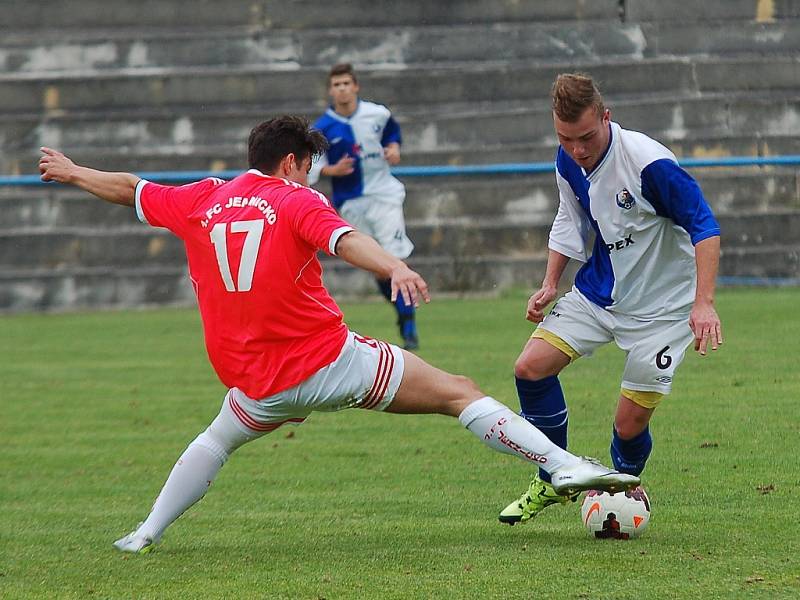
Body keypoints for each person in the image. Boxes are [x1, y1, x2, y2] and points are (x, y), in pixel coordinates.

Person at [39, 115, 639, 554]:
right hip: (330, 363)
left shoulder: (203, 198)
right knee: (457, 391)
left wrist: (71, 173)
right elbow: (346, 240)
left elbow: (131, 188)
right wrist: (396, 266)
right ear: (291, 164)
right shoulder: (296, 201)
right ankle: (562, 466)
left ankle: (146, 532)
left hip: (255, 381)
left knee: (217, 439)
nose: (311, 176)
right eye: (310, 167)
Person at [498, 73, 723, 525]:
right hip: (600, 294)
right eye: (565, 139)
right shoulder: (567, 162)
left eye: (585, 137)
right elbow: (570, 219)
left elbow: (704, 225)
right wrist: (550, 282)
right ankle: (551, 475)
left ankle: (624, 490)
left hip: (664, 312)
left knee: (628, 426)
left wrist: (703, 302)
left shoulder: (648, 163)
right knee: (530, 368)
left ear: (606, 116)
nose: (577, 149)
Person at [308, 63, 419, 350]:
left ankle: (409, 325)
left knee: (394, 258)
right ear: (330, 90)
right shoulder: (322, 128)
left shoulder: (378, 114)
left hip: (385, 195)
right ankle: (401, 312)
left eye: (346, 83)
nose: (342, 89)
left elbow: (392, 136)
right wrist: (332, 170)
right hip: (352, 203)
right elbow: (311, 169)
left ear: (355, 86)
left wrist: (394, 149)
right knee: (380, 268)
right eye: (336, 84)